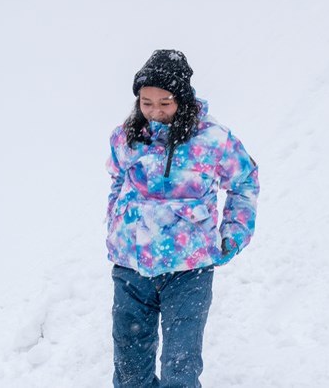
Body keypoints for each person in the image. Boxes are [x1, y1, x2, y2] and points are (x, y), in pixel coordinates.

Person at [105, 49, 259, 387]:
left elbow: (245, 182)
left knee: (180, 367)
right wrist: (115, 221)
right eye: (146, 102)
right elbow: (117, 178)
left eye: (165, 102)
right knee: (130, 367)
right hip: (132, 269)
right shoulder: (126, 137)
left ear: (182, 99)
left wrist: (232, 235)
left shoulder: (213, 140)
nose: (155, 112)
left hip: (188, 271)